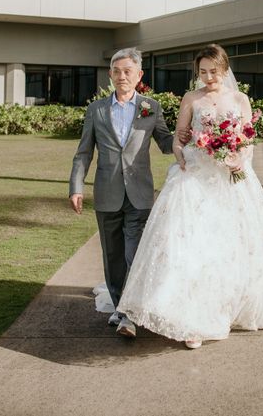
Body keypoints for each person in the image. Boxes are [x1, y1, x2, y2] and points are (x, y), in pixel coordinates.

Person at [115, 44, 263, 349]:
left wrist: (238, 159)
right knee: (189, 244)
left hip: (230, 178)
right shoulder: (191, 99)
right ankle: (191, 317)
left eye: (213, 71)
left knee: (232, 245)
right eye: (202, 72)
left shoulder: (239, 99)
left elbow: (248, 140)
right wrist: (180, 156)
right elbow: (180, 138)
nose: (208, 77)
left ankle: (227, 305)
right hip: (195, 175)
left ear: (225, 69)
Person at [69, 48, 180, 338]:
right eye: (117, 71)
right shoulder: (96, 110)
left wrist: (190, 134)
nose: (122, 76)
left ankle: (129, 315)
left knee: (135, 254)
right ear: (110, 75)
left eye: (128, 71)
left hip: (140, 194)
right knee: (113, 256)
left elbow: (166, 143)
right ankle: (121, 307)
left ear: (139, 75)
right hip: (106, 194)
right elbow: (83, 153)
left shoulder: (150, 107)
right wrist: (76, 187)